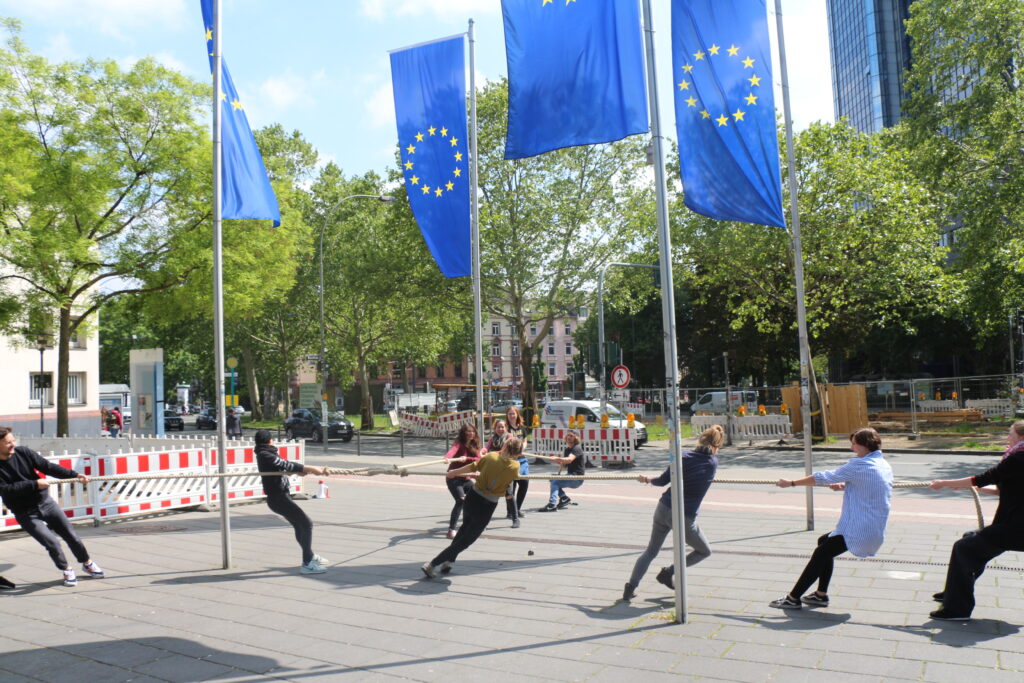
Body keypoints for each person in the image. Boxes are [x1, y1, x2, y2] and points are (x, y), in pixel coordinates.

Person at [768, 427, 892, 610]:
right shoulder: (882, 464)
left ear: (865, 446)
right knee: (824, 542)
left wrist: (791, 483)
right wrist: (845, 486)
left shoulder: (860, 465)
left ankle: (793, 598)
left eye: (854, 444)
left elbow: (823, 477)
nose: (852, 448)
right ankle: (820, 595)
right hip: (872, 527)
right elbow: (870, 487)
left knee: (822, 552)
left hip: (860, 529)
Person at [927, 421, 1024, 620]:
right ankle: (954, 593)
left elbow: (982, 478)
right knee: (970, 540)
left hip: (1015, 529)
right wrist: (968, 487)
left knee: (964, 547)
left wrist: (945, 483)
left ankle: (957, 609)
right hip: (1011, 526)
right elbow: (1001, 489)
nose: (1007, 437)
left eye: (1010, 433)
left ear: (1021, 437)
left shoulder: (1018, 459)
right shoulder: (1016, 458)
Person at [622, 425, 723, 601]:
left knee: (651, 551)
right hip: (684, 515)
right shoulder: (712, 462)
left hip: (663, 508)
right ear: (717, 445)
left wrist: (646, 479)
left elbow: (662, 481)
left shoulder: (682, 456)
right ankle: (669, 572)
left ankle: (630, 587)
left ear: (700, 439)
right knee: (704, 551)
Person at [0, 427, 105, 587]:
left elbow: (47, 467)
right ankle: (66, 569)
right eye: (8, 442)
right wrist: (34, 484)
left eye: (13, 440)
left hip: (45, 503)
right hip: (25, 512)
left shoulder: (24, 452)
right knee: (52, 543)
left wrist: (74, 475)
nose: (13, 444)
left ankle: (87, 562)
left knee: (72, 536)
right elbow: (6, 490)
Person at [421, 437, 523, 578]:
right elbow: (511, 474)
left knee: (464, 529)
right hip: (487, 504)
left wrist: (453, 473)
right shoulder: (515, 466)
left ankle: (449, 561)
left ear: (505, 446)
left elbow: (472, 467)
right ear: (519, 452)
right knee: (466, 540)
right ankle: (433, 564)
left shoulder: (491, 456)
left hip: (473, 497)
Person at [254, 429, 328, 574]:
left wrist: (295, 471)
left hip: (281, 497)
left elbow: (282, 467)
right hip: (277, 498)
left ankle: (310, 555)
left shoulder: (266, 453)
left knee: (299, 525)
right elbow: (285, 464)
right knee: (307, 523)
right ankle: (307, 563)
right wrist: (311, 468)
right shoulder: (265, 454)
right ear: (269, 441)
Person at [443, 423, 481, 539]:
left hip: (466, 478)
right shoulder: (459, 444)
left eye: (473, 431)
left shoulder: (475, 445)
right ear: (463, 433)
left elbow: (479, 459)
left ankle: (471, 525)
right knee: (460, 500)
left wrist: (468, 459)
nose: (471, 433)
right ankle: (451, 530)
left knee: (476, 498)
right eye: (468, 431)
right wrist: (447, 458)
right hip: (453, 478)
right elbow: (452, 451)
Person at [537, 430, 585, 512]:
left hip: (576, 478)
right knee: (552, 478)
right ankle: (564, 498)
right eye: (568, 435)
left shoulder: (577, 448)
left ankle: (552, 504)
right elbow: (565, 464)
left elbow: (569, 460)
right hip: (570, 475)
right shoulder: (567, 450)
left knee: (555, 482)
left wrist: (557, 458)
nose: (569, 437)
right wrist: (559, 461)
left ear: (576, 438)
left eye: (571, 436)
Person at [505, 406, 530, 517]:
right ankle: (510, 511)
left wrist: (521, 449)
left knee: (524, 483)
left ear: (517, 415)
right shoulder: (505, 428)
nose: (511, 416)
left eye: (513, 413)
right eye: (509, 414)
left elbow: (525, 441)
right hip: (510, 461)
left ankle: (517, 508)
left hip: (522, 460)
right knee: (511, 487)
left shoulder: (522, 428)